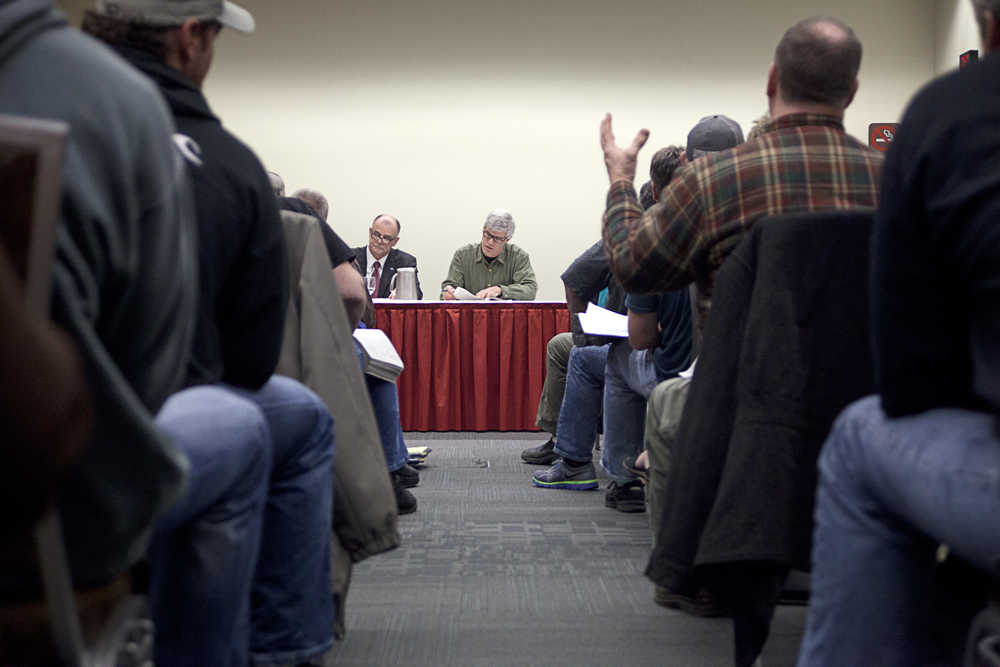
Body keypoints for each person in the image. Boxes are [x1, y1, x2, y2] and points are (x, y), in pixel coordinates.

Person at [84, 2, 337, 664]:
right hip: (95, 458)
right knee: (272, 421)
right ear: (191, 39)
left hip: (39, 425)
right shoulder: (227, 162)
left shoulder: (41, 111)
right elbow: (251, 363)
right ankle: (280, 648)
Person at [797, 2, 1000, 663]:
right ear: (851, 92)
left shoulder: (950, 114)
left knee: (859, 437)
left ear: (984, 21)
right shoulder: (874, 164)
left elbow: (909, 377)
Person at [441, 208, 537, 300]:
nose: (490, 242)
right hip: (470, 316)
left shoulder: (519, 257)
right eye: (488, 235)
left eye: (497, 239)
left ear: (507, 239)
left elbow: (530, 289)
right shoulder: (462, 255)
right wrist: (447, 293)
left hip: (504, 316)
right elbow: (449, 287)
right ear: (483, 229)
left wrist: (501, 290)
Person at [354, 214, 423, 299]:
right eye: (376, 234)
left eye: (386, 238)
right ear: (370, 232)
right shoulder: (351, 258)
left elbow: (417, 295)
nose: (379, 241)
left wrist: (402, 294)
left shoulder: (405, 262)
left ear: (395, 241)